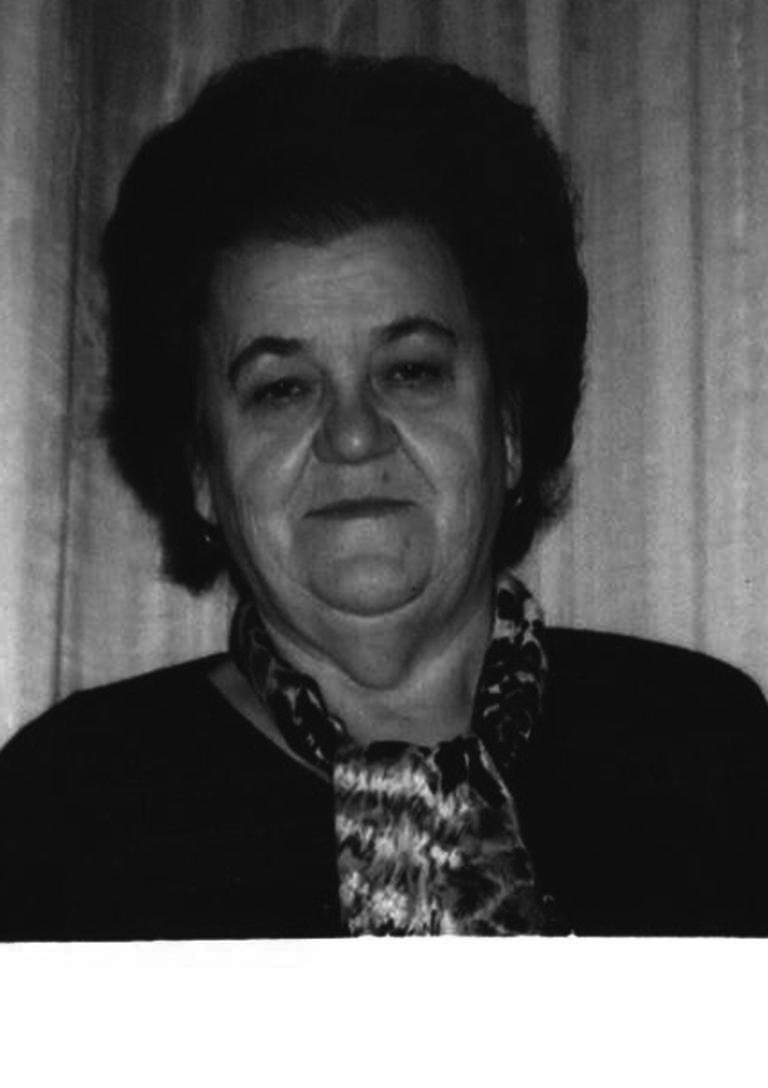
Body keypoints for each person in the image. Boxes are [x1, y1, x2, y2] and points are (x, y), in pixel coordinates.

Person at [1, 48, 767, 940]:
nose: (354, 434)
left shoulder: (710, 752)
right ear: (201, 468)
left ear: (509, 428)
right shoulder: (68, 808)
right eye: (282, 388)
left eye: (411, 371)